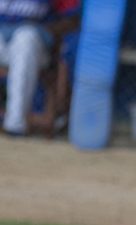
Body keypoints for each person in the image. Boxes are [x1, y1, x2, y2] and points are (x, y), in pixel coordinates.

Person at [0, 0, 80, 136]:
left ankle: (15, 124)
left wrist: (48, 30)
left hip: (37, 45)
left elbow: (73, 20)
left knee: (25, 39)